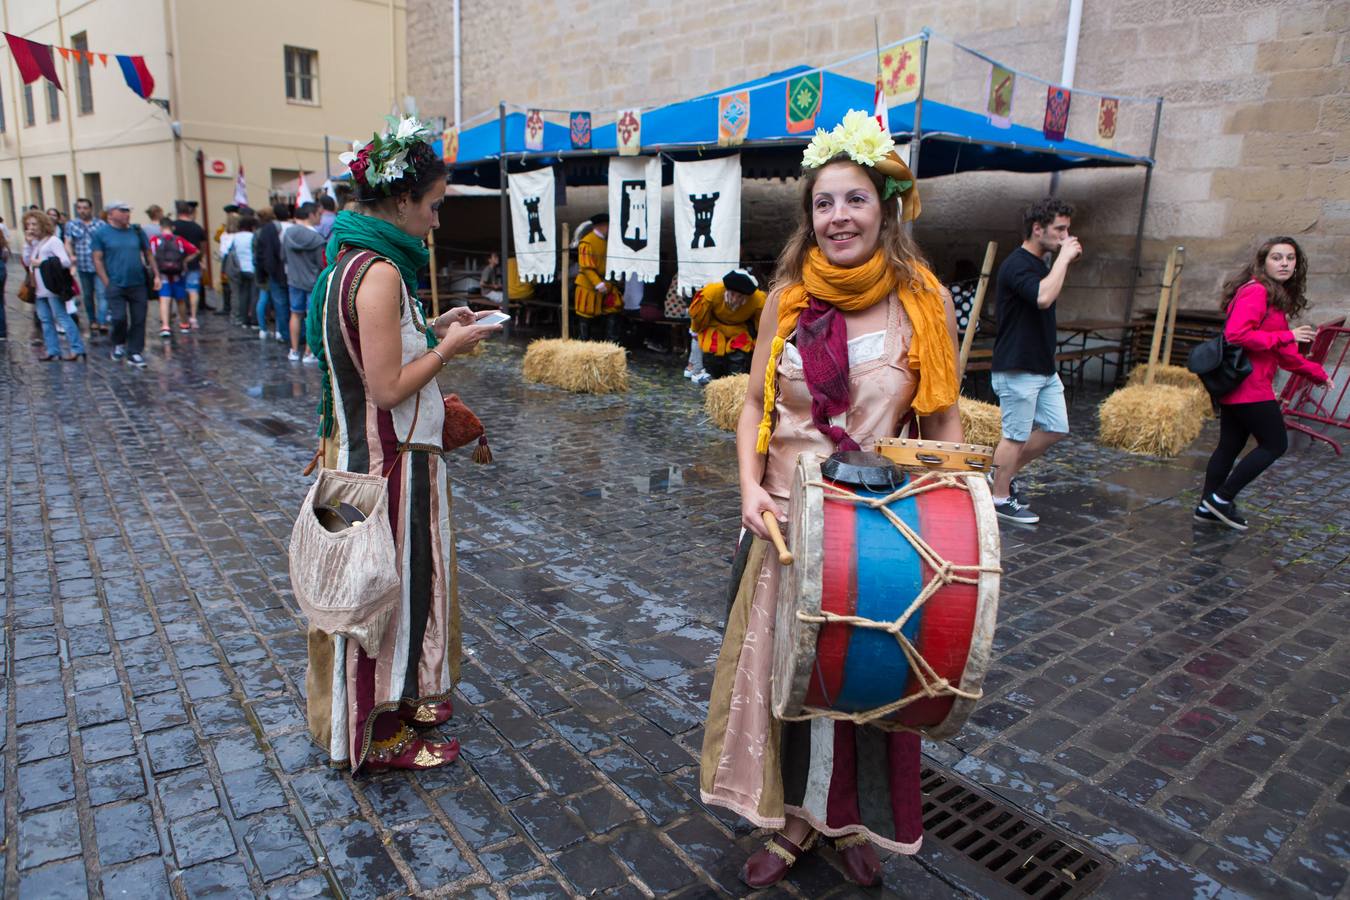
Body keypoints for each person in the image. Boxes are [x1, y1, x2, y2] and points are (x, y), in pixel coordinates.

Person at [700, 111, 961, 890]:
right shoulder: (785, 299)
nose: (838, 217)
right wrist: (748, 488)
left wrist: (946, 521)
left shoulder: (924, 302)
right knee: (785, 684)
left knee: (862, 691)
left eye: (853, 200)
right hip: (782, 525)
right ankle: (788, 825)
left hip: (876, 532)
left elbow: (943, 420)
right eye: (823, 203)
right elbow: (753, 406)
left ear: (885, 207)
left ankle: (841, 819)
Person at [304, 116, 502, 772]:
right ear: (399, 201)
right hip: (387, 469)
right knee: (384, 597)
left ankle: (405, 696)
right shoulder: (382, 272)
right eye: (434, 206)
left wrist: (435, 325)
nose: (438, 221)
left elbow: (372, 352)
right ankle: (379, 728)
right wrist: (449, 347)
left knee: (394, 591)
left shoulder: (349, 262)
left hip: (367, 460)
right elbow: (387, 386)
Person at [1197, 237, 1332, 531]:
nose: (1284, 263)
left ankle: (1206, 507)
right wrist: (1287, 335)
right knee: (1275, 444)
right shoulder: (1256, 292)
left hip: (1243, 386)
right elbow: (1236, 336)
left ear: (1297, 265)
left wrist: (1316, 373)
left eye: (1290, 258)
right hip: (1249, 387)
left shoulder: (1274, 296)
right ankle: (1221, 499)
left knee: (1229, 446)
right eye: (1277, 257)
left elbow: (1284, 355)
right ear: (1263, 262)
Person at [988, 198, 1081, 525]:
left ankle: (998, 473)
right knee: (1014, 436)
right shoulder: (1016, 264)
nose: (1066, 235)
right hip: (1017, 367)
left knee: (1056, 428)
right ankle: (998, 498)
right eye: (1060, 229)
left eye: (1067, 229)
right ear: (1037, 229)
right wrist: (1065, 258)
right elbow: (1043, 297)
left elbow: (1046, 293)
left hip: (1042, 366)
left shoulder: (1040, 263)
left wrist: (1059, 261)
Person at [93, 200, 161, 368]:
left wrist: (157, 275)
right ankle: (118, 343)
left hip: (138, 283)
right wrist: (106, 281)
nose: (126, 214)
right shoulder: (101, 234)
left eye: (128, 211)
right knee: (119, 318)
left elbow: (148, 254)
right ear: (111, 214)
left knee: (139, 318)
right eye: (122, 211)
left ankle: (135, 352)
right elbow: (97, 259)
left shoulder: (137, 232)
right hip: (115, 283)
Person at [23, 209, 85, 361]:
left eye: (34, 224)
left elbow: (65, 261)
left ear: (42, 224)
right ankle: (52, 350)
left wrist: (43, 262)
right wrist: (27, 244)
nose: (31, 227)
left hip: (51, 287)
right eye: (28, 224)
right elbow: (27, 262)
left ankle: (77, 348)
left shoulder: (53, 241)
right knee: (45, 319)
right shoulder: (36, 243)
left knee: (62, 317)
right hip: (38, 288)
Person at [689, 268, 766, 378]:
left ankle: (734, 380)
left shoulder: (758, 299)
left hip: (739, 329)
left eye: (740, 296)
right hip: (714, 326)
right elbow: (699, 316)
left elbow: (762, 324)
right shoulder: (711, 292)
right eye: (733, 294)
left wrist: (759, 341)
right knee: (713, 354)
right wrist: (696, 330)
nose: (735, 299)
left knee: (739, 357)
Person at [282, 202, 325, 362]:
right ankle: (309, 352)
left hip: (294, 280)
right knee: (311, 317)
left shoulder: (288, 234)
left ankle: (293, 350)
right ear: (311, 215)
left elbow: (283, 257)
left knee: (295, 314)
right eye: (319, 214)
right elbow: (321, 264)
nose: (320, 217)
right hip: (312, 282)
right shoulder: (317, 239)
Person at [150, 220, 201, 337]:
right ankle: (184, 323)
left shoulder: (155, 240)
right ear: (172, 228)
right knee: (180, 299)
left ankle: (165, 326)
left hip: (162, 274)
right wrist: (184, 261)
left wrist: (155, 270)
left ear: (160, 228)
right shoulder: (178, 240)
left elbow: (150, 254)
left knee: (164, 299)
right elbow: (195, 251)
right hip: (178, 274)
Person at [574, 214, 621, 340]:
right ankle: (584, 342)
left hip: (606, 283)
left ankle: (612, 342)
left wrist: (609, 282)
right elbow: (587, 267)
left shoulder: (607, 242)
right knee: (586, 314)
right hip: (588, 285)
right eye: (608, 226)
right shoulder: (587, 242)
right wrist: (598, 283)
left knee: (614, 307)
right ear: (601, 226)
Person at [65, 198, 108, 335]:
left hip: (99, 265)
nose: (82, 211)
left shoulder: (100, 224)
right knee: (88, 295)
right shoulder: (71, 225)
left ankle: (102, 321)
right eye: (79, 208)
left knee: (102, 294)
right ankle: (92, 320)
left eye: (85, 208)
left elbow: (105, 242)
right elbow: (68, 242)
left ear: (91, 209)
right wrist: (71, 255)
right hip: (83, 265)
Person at [256, 203, 292, 338]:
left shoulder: (268, 229)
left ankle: (284, 333)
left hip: (277, 272)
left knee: (280, 304)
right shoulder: (294, 227)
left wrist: (265, 272)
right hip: (294, 273)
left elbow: (263, 254)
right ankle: (295, 333)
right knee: (294, 306)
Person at [221, 214, 260, 336]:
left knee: (242, 295)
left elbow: (228, 252)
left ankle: (244, 319)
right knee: (254, 296)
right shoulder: (253, 236)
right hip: (252, 269)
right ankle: (254, 320)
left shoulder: (235, 237)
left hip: (239, 269)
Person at [173, 200, 209, 320]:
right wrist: (201, 258)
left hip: (176, 263)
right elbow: (203, 246)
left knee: (180, 290)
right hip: (194, 262)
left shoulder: (174, 226)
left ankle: (182, 314)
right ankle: (193, 315)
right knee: (193, 290)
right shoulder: (197, 227)